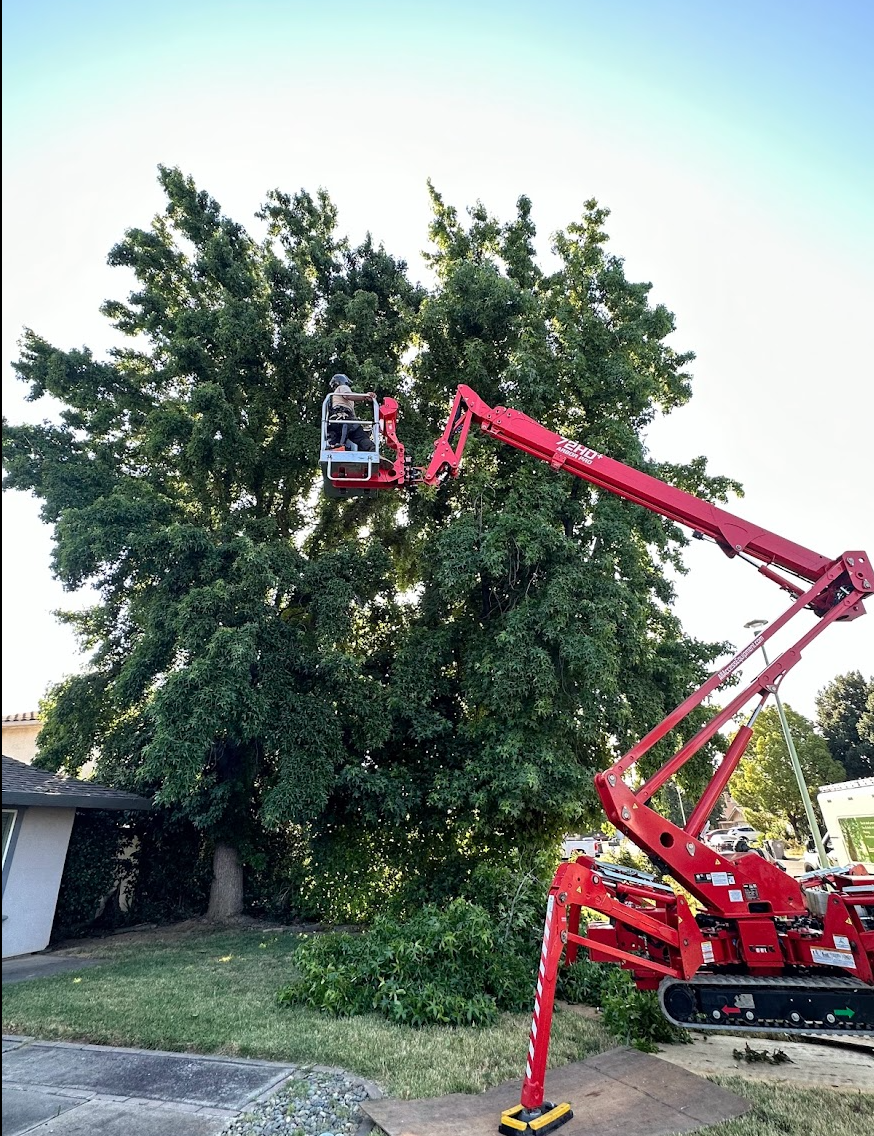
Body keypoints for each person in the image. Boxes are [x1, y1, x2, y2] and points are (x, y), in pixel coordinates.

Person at [326, 374, 376, 451]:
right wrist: (365, 396)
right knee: (360, 436)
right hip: (343, 421)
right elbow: (348, 395)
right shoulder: (342, 387)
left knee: (357, 433)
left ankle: (368, 448)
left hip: (339, 422)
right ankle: (371, 449)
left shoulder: (334, 397)